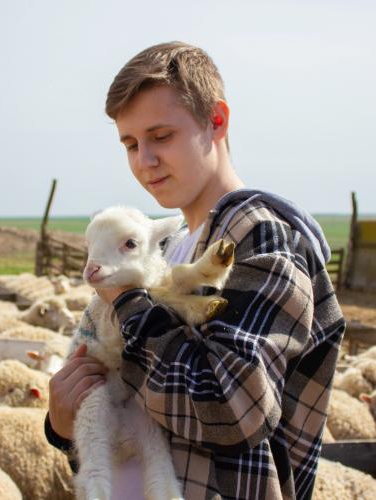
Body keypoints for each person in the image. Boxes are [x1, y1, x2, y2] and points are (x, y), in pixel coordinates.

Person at [45, 42, 345, 499]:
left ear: (217, 121)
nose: (143, 161)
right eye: (130, 144)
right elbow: (141, 392)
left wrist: (125, 304)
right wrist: (63, 422)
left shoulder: (261, 240)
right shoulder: (175, 248)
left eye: (161, 136)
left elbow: (231, 407)